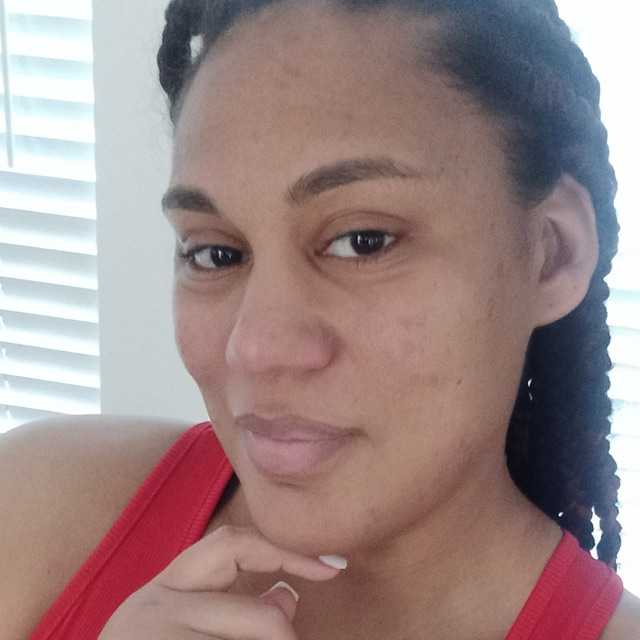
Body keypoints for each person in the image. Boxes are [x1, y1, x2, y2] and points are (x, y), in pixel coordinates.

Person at [2, 0, 640, 638]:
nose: (255, 347)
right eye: (215, 253)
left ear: (552, 254)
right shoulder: (35, 505)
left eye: (363, 241)